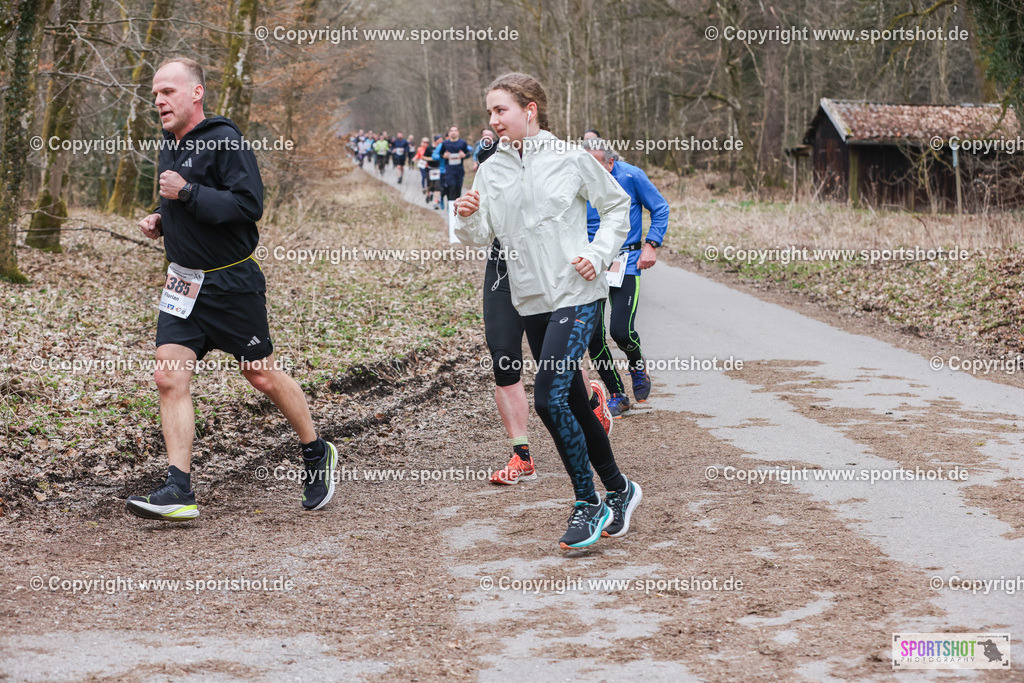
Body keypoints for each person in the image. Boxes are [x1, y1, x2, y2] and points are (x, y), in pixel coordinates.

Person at [130, 58, 337, 521]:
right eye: (155, 94)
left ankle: (316, 451)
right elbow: (188, 205)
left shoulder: (225, 139)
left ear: (196, 92)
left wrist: (185, 194)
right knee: (169, 376)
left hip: (231, 282)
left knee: (259, 374)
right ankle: (178, 488)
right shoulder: (169, 143)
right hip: (183, 283)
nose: (159, 101)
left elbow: (248, 206)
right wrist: (162, 220)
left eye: (168, 92)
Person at [454, 72, 642, 550]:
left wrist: (599, 255)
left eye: (501, 110)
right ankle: (620, 489)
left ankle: (588, 503)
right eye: (491, 111)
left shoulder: (570, 157)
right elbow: (483, 238)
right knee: (575, 402)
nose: (493, 120)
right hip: (530, 298)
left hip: (576, 291)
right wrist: (467, 216)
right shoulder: (491, 169)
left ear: (530, 108)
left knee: (548, 399)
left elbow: (618, 208)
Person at [582, 138, 668, 418]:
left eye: (597, 165)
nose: (591, 172)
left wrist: (651, 244)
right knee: (593, 338)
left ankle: (637, 366)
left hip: (626, 261)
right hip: (590, 263)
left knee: (620, 331)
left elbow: (660, 208)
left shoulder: (631, 175)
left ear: (611, 161)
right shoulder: (577, 179)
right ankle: (617, 394)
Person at [438, 125, 471, 206]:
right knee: (451, 188)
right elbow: (440, 154)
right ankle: (451, 209)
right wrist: (444, 156)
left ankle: (457, 210)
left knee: (458, 190)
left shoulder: (462, 143)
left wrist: (464, 155)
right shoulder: (445, 143)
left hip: (459, 170)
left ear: (458, 132)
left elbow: (468, 154)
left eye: (455, 131)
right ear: (449, 133)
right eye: (451, 131)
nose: (453, 132)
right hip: (449, 170)